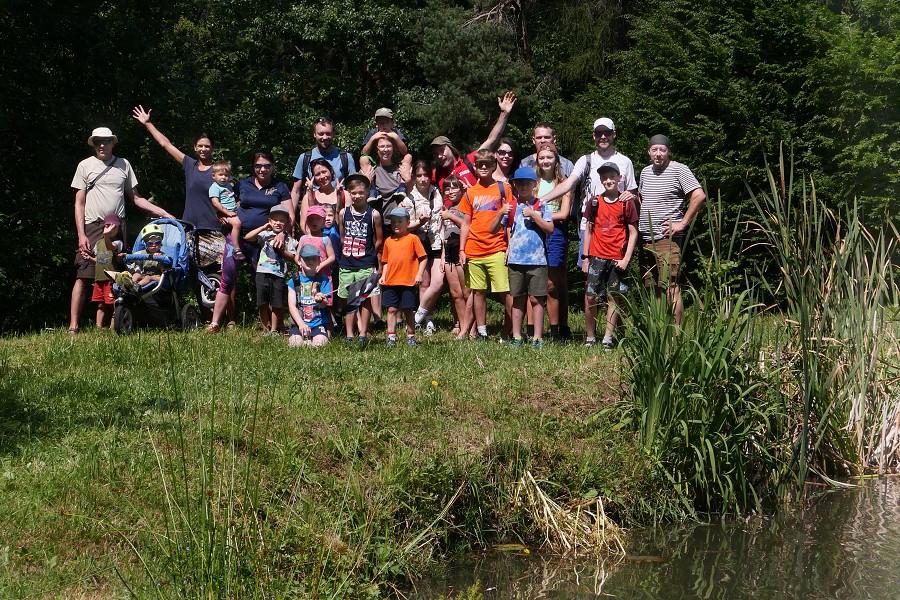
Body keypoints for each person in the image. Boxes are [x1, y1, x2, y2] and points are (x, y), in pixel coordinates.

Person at [69, 126, 174, 334]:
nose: (102, 144)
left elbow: (136, 197)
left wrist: (164, 213)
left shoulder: (124, 165)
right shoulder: (85, 165)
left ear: (113, 143)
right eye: (98, 140)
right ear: (93, 143)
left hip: (118, 227)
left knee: (117, 274)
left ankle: (114, 323)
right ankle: (73, 326)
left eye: (106, 141)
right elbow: (79, 202)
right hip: (92, 226)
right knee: (84, 274)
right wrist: (81, 234)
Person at [207, 150, 292, 333]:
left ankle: (275, 326)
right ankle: (215, 323)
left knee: (269, 281)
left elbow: (289, 215)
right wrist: (221, 214)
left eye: (267, 165)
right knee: (227, 279)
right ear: (253, 167)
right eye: (258, 166)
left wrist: (283, 233)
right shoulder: (242, 184)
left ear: (273, 166)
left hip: (264, 243)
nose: (262, 169)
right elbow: (227, 201)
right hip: (237, 239)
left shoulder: (280, 187)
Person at [538, 117, 638, 268]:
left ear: (614, 134)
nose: (603, 136)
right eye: (599, 133)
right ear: (593, 136)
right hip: (590, 225)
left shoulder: (625, 162)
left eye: (607, 132)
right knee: (589, 275)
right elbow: (568, 183)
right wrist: (541, 200)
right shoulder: (585, 160)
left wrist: (633, 196)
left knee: (616, 276)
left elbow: (632, 192)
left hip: (617, 227)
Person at [637, 134, 706, 325]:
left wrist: (682, 223)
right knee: (652, 286)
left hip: (666, 239)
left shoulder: (679, 170)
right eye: (654, 150)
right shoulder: (645, 172)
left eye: (662, 150)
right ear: (649, 152)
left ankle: (675, 334)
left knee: (671, 287)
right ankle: (659, 330)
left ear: (668, 151)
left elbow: (699, 195)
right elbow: (642, 199)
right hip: (646, 238)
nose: (658, 154)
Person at [457, 149, 515, 340]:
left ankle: (514, 330)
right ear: (475, 167)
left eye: (487, 164)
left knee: (505, 292)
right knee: (478, 292)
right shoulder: (470, 192)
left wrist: (509, 246)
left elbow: (509, 220)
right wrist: (462, 249)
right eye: (479, 164)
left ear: (493, 166)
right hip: (474, 249)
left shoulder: (503, 188)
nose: (483, 167)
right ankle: (482, 331)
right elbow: (466, 223)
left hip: (497, 247)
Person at [582, 162, 639, 349]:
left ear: (619, 179)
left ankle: (607, 338)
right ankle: (590, 338)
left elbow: (633, 232)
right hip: (596, 257)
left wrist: (626, 258)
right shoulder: (595, 202)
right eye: (605, 177)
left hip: (617, 258)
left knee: (613, 297)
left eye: (612, 177)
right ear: (601, 180)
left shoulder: (626, 203)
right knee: (591, 297)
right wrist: (585, 257)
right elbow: (588, 230)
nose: (608, 180)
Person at [506, 168, 555, 348]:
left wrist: (534, 215)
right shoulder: (511, 206)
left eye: (528, 183)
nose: (524, 186)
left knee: (537, 299)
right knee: (517, 299)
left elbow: (550, 229)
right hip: (516, 260)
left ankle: (537, 337)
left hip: (537, 260)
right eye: (520, 183)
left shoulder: (541, 206)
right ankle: (517, 336)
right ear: (515, 185)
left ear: (535, 185)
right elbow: (504, 229)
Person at [430, 91, 518, 190]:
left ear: (451, 148)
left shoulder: (470, 161)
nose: (439, 156)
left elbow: (491, 140)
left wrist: (504, 113)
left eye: (441, 151)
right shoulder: (435, 174)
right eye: (435, 154)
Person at [337, 173, 384, 345]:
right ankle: (350, 334)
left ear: (367, 192)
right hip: (347, 263)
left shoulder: (374, 214)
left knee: (364, 299)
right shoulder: (344, 212)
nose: (357, 196)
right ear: (349, 193)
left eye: (360, 193)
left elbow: (379, 238)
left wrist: (373, 255)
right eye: (353, 193)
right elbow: (342, 236)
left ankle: (363, 332)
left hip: (365, 262)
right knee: (349, 299)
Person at [534, 143, 573, 341]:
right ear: (537, 161)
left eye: (549, 158)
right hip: (534, 233)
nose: (546, 161)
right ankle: (534, 327)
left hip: (556, 233)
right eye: (542, 158)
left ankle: (556, 329)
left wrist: (539, 215)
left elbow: (564, 213)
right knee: (532, 280)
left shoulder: (564, 183)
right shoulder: (533, 183)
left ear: (556, 160)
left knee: (551, 284)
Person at [401, 160, 444, 335]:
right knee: (424, 285)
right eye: (419, 175)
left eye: (426, 175)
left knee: (438, 283)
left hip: (437, 242)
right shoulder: (409, 198)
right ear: (414, 177)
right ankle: (429, 320)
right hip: (420, 244)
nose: (423, 179)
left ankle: (417, 317)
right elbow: (403, 226)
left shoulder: (437, 193)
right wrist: (419, 222)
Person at [244, 205, 297, 334]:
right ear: (270, 221)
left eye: (282, 220)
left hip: (278, 274)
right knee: (262, 301)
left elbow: (293, 257)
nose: (278, 223)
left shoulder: (288, 239)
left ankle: (274, 330)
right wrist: (263, 227)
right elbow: (247, 237)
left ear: (287, 223)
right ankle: (264, 328)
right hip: (262, 271)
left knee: (276, 303)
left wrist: (282, 250)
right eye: (275, 220)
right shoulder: (265, 234)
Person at [290, 116, 358, 217]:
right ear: (314, 134)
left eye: (328, 133)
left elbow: (354, 188)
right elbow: (296, 191)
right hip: (313, 213)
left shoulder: (345, 157)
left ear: (334, 134)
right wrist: (290, 218)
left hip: (340, 212)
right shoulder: (305, 158)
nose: (324, 137)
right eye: (321, 133)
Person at [380, 207, 428, 347]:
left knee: (408, 309)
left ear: (407, 223)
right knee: (391, 309)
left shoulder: (413, 238)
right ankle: (391, 337)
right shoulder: (388, 241)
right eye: (393, 221)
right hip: (391, 281)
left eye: (400, 221)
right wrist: (383, 276)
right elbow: (386, 261)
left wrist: (419, 274)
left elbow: (423, 258)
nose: (396, 224)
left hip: (408, 281)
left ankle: (411, 336)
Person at [439, 176, 473, 338]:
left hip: (463, 252)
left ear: (462, 189)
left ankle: (471, 328)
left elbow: (469, 227)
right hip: (449, 254)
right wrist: (443, 256)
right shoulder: (447, 207)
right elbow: (444, 235)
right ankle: (462, 326)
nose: (450, 191)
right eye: (447, 188)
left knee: (467, 293)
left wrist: (451, 216)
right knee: (456, 294)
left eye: (454, 188)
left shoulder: (466, 207)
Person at [287, 244, 332, 347]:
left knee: (320, 344)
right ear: (299, 261)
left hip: (318, 322)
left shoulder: (324, 280)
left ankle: (314, 339)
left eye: (313, 259)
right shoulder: (293, 282)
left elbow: (324, 305)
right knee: (295, 345)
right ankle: (305, 340)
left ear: (318, 262)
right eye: (306, 258)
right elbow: (292, 306)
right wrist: (301, 324)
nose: (310, 261)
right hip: (299, 322)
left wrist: (321, 300)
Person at [84, 214, 124, 329]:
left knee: (113, 304)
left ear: (118, 229)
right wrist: (89, 258)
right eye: (107, 226)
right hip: (99, 279)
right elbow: (98, 260)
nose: (110, 229)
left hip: (111, 279)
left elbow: (111, 247)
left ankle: (113, 327)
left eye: (113, 227)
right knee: (100, 304)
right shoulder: (98, 243)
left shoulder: (118, 242)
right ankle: (98, 328)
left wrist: (106, 235)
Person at [109, 224, 173, 291]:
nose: (154, 245)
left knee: (148, 277)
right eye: (150, 244)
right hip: (144, 275)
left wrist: (160, 260)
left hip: (159, 277)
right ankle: (128, 285)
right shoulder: (142, 253)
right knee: (137, 274)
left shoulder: (163, 255)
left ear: (161, 244)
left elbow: (164, 271)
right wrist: (125, 255)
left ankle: (136, 287)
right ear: (146, 244)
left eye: (157, 243)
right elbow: (133, 256)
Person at [298, 158, 348, 234]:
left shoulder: (345, 194)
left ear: (330, 171)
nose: (322, 176)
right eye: (317, 174)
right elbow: (304, 225)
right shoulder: (309, 196)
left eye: (324, 172)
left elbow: (348, 221)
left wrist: (339, 195)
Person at [208, 160, 244, 260]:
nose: (223, 177)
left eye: (226, 175)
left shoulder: (228, 185)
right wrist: (226, 212)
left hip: (234, 211)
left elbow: (233, 198)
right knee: (237, 224)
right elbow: (215, 202)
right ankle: (236, 249)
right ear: (213, 175)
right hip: (227, 213)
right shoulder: (215, 187)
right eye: (220, 175)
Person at [359, 108, 412, 173]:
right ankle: (368, 180)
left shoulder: (396, 133)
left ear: (392, 123)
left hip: (394, 160)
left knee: (408, 157)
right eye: (381, 123)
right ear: (376, 124)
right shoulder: (372, 133)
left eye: (387, 122)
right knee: (363, 159)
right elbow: (364, 153)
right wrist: (373, 139)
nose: (384, 125)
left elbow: (404, 152)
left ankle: (404, 178)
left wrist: (396, 138)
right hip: (376, 161)